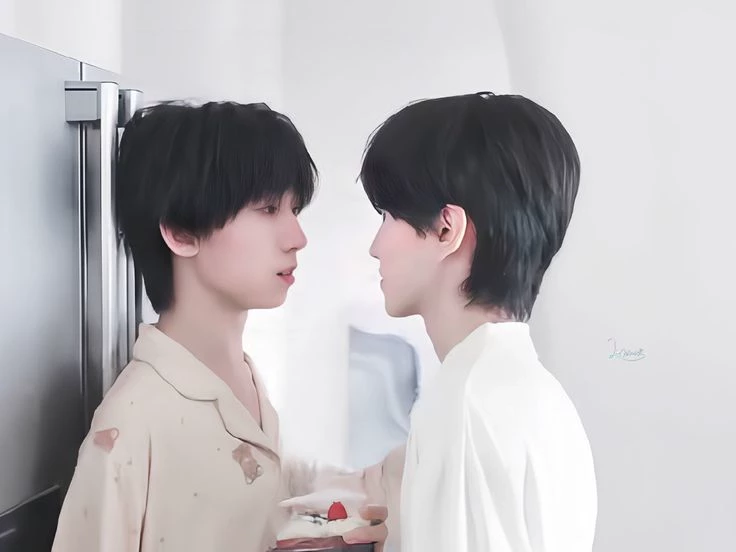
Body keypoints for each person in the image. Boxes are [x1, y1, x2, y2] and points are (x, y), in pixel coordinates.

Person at [51, 101, 402, 552]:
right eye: (268, 209)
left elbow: (257, 492)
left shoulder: (242, 378)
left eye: (294, 209)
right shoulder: (134, 420)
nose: (297, 238)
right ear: (181, 232)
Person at [359, 92, 598, 551]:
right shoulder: (534, 392)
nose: (375, 246)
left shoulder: (465, 403)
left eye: (388, 215)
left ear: (446, 229)